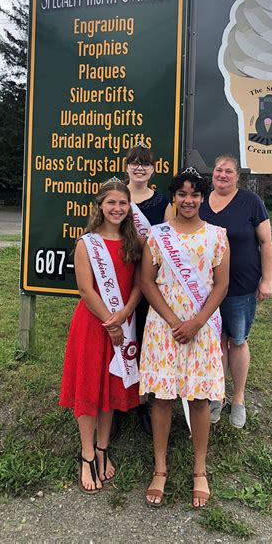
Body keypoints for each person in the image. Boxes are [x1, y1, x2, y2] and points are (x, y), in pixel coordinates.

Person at [140, 168, 230, 508]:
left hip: (201, 327)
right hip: (164, 326)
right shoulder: (157, 235)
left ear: (202, 198)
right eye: (181, 194)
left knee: (198, 399)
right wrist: (175, 320)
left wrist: (196, 322)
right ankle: (160, 469)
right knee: (162, 399)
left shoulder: (217, 236)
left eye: (194, 194)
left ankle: (200, 470)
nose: (188, 200)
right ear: (174, 198)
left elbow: (221, 284)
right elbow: (147, 281)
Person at [59, 180, 143, 494]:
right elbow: (85, 289)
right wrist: (111, 323)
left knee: (110, 386)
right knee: (88, 385)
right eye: (111, 203)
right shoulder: (86, 243)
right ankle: (86, 453)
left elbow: (138, 285)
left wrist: (123, 316)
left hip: (123, 322)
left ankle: (103, 447)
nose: (117, 209)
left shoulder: (134, 243)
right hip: (93, 324)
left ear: (129, 207)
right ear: (100, 206)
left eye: (123, 203)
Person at [200, 154, 272, 429]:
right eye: (218, 170)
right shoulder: (202, 202)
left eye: (229, 171)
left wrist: (267, 280)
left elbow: (266, 243)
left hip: (241, 285)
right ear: (213, 174)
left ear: (237, 177)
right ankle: (216, 395)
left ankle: (239, 397)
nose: (222, 175)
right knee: (216, 341)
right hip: (207, 289)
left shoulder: (251, 202)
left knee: (238, 340)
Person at [121, 144, 175, 436]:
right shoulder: (116, 196)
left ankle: (141, 402)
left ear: (153, 169)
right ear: (126, 166)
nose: (139, 168)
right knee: (118, 340)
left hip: (149, 283)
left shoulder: (162, 202)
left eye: (145, 164)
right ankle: (118, 402)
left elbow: (167, 246)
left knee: (142, 339)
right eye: (134, 163)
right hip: (118, 279)